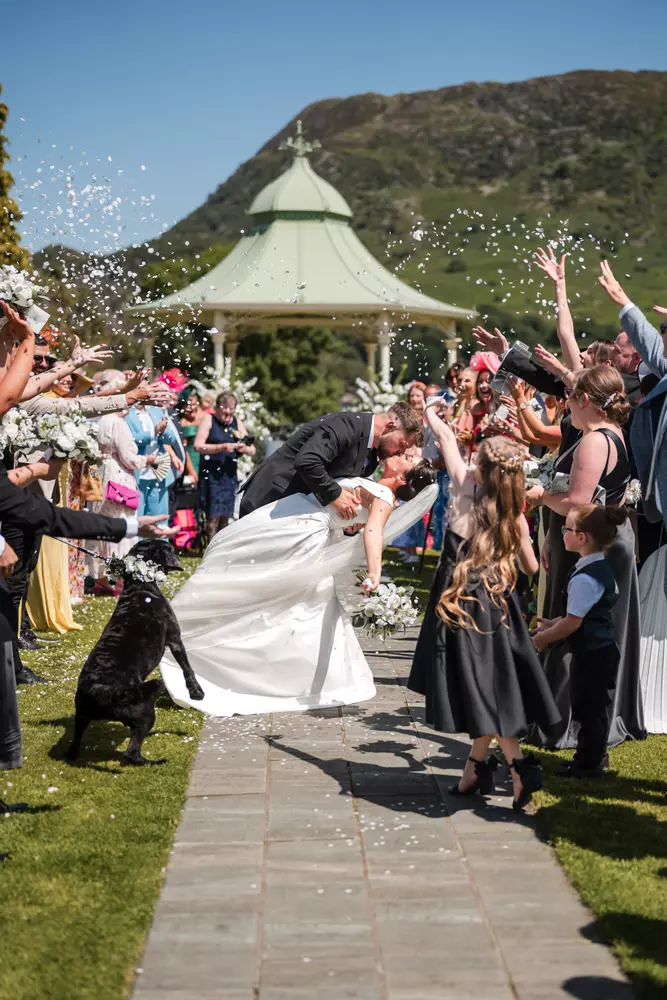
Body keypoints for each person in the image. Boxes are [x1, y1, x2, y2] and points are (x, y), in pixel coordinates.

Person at [160, 455, 437, 717]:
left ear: (402, 477)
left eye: (409, 458)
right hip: (300, 517)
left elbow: (373, 532)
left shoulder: (386, 497)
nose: (404, 453)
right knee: (271, 591)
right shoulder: (375, 484)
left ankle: (250, 667)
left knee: (269, 591)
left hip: (304, 531)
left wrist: (375, 574)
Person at [408, 401, 560, 810]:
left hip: (462, 604)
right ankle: (476, 769)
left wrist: (431, 412)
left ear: (483, 470)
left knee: (484, 693)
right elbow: (530, 566)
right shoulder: (515, 516)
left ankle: (520, 768)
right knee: (491, 690)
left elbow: (443, 438)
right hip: (499, 605)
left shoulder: (465, 490)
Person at [525, 364, 644, 749]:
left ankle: (565, 722)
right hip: (602, 538)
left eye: (571, 397)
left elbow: (578, 502)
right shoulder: (611, 434)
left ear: (586, 400)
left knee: (579, 627)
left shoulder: (595, 441)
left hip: (596, 544)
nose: (566, 405)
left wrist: (540, 496)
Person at [533, 504, 630, 777]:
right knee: (591, 707)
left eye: (567, 528)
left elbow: (573, 623)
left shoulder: (586, 577)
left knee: (589, 708)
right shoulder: (594, 566)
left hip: (594, 654)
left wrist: (544, 639)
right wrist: (553, 623)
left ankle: (589, 763)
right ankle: (593, 756)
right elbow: (579, 615)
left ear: (582, 537)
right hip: (598, 650)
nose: (562, 533)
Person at [238, 402, 423, 520]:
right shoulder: (346, 426)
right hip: (270, 499)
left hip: (295, 510)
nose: (399, 452)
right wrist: (334, 495)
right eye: (401, 444)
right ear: (390, 426)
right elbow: (308, 461)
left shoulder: (372, 455)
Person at [86, 374, 164, 594]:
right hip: (118, 474)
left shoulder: (100, 420)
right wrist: (147, 460)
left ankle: (102, 576)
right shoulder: (117, 423)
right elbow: (129, 458)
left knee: (103, 523)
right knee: (122, 522)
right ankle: (119, 575)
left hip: (101, 474)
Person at [194, 391, 255, 540]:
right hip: (212, 473)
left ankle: (221, 548)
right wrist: (221, 447)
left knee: (226, 514)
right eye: (224, 407)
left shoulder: (236, 422)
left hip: (228, 473)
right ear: (217, 407)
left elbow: (252, 450)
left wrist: (243, 448)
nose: (228, 411)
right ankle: (210, 548)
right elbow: (198, 445)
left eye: (231, 408)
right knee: (212, 515)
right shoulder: (209, 419)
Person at [125, 401, 185, 516]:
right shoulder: (126, 412)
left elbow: (171, 438)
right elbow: (131, 439)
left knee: (159, 519)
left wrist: (163, 433)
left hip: (159, 473)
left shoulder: (155, 410)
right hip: (137, 473)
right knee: (137, 519)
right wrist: (155, 431)